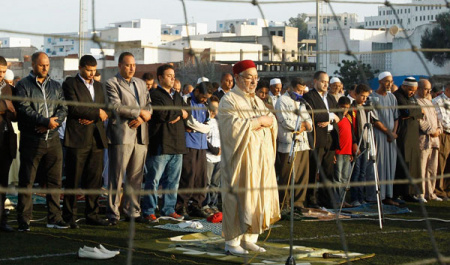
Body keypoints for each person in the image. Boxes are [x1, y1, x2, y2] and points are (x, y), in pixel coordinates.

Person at [218, 60, 280, 255]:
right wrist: (258, 121)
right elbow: (232, 129)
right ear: (237, 78)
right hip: (241, 160)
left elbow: (271, 121)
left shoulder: (257, 100)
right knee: (239, 197)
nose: (253, 81)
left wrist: (266, 122)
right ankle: (232, 242)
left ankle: (250, 238)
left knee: (257, 196)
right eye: (249, 77)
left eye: (256, 77)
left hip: (260, 159)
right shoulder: (229, 100)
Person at [15, 52, 68, 231]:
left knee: (55, 181)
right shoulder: (23, 85)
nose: (45, 68)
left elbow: (63, 108)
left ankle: (54, 218)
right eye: (41, 65)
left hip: (53, 140)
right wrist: (45, 121)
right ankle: (24, 220)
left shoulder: (55, 86)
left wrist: (51, 124)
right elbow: (23, 109)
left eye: (47, 65)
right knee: (27, 181)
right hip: (32, 140)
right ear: (33, 65)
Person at [61, 55, 111, 228]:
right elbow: (74, 108)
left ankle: (92, 214)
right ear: (81, 68)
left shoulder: (99, 86)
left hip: (97, 138)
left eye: (94, 70)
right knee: (73, 179)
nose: (91, 73)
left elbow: (107, 109)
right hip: (77, 138)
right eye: (88, 70)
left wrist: (95, 114)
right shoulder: (70, 83)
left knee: (94, 180)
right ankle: (69, 216)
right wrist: (96, 114)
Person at [105, 52, 152, 225]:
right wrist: (138, 113)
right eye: (127, 65)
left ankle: (132, 211)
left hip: (140, 135)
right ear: (119, 66)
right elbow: (116, 106)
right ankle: (113, 213)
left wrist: (142, 117)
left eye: (133, 65)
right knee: (116, 177)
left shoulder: (140, 83)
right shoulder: (111, 83)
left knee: (136, 177)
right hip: (121, 135)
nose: (131, 68)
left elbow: (149, 105)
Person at [141, 64, 189, 222]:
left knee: (173, 182)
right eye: (169, 75)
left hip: (177, 144)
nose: (172, 78)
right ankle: (149, 210)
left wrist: (179, 113)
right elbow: (162, 114)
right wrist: (178, 113)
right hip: (161, 143)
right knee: (153, 180)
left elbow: (187, 111)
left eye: (173, 75)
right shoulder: (154, 95)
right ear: (160, 78)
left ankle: (168, 209)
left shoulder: (176, 95)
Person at [303, 71, 341, 208]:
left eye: (327, 82)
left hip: (330, 137)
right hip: (317, 138)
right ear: (315, 81)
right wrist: (330, 117)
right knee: (313, 170)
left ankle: (327, 199)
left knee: (328, 170)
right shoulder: (309, 96)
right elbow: (313, 115)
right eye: (323, 81)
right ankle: (311, 199)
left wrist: (330, 118)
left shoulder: (330, 98)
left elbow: (339, 114)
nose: (326, 84)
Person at [275, 79, 312, 212]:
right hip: (289, 144)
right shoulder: (282, 101)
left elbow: (309, 122)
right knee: (287, 176)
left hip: (303, 143)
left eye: (302, 91)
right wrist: (303, 125)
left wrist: (303, 125)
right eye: (298, 90)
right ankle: (284, 204)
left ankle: (298, 204)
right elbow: (286, 122)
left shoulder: (301, 102)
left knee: (302, 175)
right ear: (290, 88)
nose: (301, 93)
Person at [176, 82, 212, 219]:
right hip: (189, 143)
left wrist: (200, 127)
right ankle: (181, 206)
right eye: (203, 97)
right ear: (196, 91)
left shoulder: (206, 104)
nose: (204, 100)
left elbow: (209, 124)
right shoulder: (186, 100)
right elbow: (189, 122)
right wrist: (202, 127)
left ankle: (196, 205)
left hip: (202, 145)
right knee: (188, 177)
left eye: (206, 98)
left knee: (201, 179)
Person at [371, 71, 399, 206]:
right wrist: (388, 133)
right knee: (380, 165)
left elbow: (396, 117)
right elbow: (375, 119)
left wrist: (393, 133)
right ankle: (378, 196)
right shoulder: (373, 97)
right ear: (380, 81)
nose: (390, 84)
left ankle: (388, 195)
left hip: (391, 138)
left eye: (391, 81)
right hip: (380, 137)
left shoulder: (392, 97)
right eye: (387, 81)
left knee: (391, 166)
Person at [393, 77, 422, 203]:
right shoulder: (397, 96)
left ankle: (409, 193)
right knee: (402, 163)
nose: (412, 93)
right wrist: (415, 111)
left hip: (413, 136)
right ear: (404, 87)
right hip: (403, 135)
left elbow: (418, 111)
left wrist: (414, 111)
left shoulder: (412, 98)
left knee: (413, 164)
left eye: (414, 90)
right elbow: (405, 111)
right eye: (411, 90)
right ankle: (399, 192)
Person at [349, 84, 377, 206]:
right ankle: (355, 197)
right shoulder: (353, 109)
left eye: (366, 97)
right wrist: (354, 143)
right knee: (356, 171)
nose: (364, 99)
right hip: (357, 143)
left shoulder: (365, 108)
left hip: (365, 143)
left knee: (363, 172)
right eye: (362, 96)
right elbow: (352, 128)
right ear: (356, 95)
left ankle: (361, 197)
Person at [416, 79, 442, 202]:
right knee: (421, 168)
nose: (428, 91)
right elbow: (419, 121)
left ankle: (430, 193)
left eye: (429, 89)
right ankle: (420, 193)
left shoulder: (429, 102)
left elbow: (436, 118)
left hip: (435, 141)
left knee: (432, 168)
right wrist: (432, 131)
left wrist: (439, 129)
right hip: (424, 140)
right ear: (419, 88)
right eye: (426, 89)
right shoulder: (416, 102)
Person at [0, 56, 17, 232]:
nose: (1, 75)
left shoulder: (9, 89)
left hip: (6, 141)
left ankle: (2, 220)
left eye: (3, 72)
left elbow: (16, 114)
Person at [203, 95, 222, 213]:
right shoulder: (206, 121)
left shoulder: (220, 122)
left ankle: (213, 204)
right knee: (207, 182)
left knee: (215, 183)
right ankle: (205, 205)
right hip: (208, 156)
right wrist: (214, 150)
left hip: (220, 157)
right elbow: (203, 139)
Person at [334, 97, 353, 207]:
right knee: (338, 178)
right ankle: (337, 200)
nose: (344, 110)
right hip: (339, 152)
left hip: (347, 152)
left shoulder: (347, 118)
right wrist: (334, 153)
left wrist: (350, 152)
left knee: (345, 178)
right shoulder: (337, 118)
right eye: (343, 107)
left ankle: (343, 200)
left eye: (347, 108)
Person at [432, 83, 450, 200]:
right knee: (441, 163)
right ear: (448, 90)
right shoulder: (438, 101)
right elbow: (443, 121)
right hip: (445, 134)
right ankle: (439, 190)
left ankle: (448, 190)